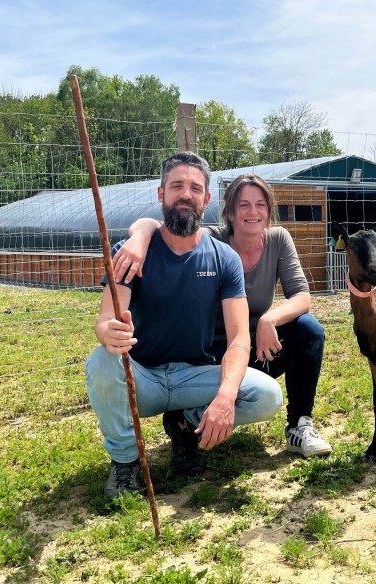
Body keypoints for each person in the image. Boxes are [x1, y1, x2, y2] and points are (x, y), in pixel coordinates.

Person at [85, 152, 282, 498]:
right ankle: (126, 462)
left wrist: (225, 397)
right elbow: (105, 321)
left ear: (206, 200)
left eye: (195, 188)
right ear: (161, 194)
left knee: (267, 396)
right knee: (101, 361)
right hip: (142, 377)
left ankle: (190, 421)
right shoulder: (130, 252)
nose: (186, 195)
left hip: (195, 377)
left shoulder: (224, 258)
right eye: (177, 186)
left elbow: (239, 339)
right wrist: (108, 333)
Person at [113, 173, 333, 459]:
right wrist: (140, 237)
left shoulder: (278, 239)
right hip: (208, 352)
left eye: (260, 204)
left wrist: (269, 320)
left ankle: (299, 426)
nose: (253, 212)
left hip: (255, 344)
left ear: (269, 210)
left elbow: (302, 297)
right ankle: (185, 421)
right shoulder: (210, 240)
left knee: (308, 330)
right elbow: (155, 226)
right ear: (229, 212)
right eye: (243, 205)